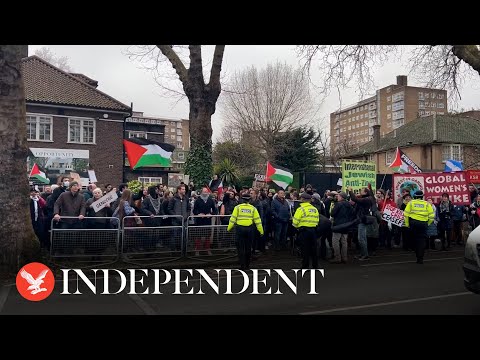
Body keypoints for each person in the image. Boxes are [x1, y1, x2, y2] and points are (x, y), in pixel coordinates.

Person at [227, 193, 264, 270]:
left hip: (240, 229)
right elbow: (258, 221)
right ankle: (247, 265)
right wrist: (261, 231)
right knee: (248, 247)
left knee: (240, 248)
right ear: (249, 200)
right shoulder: (253, 208)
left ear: (242, 200)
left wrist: (229, 229)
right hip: (249, 229)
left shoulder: (237, 208)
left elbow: (232, 219)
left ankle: (242, 265)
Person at [403, 190, 435, 264]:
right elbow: (431, 216)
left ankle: (416, 253)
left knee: (414, 239)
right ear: (422, 197)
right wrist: (428, 224)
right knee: (421, 241)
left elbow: (406, 215)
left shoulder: (411, 203)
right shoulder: (427, 204)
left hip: (413, 223)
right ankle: (420, 258)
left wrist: (407, 224)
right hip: (423, 224)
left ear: (415, 196)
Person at [292, 193, 320, 269]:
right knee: (314, 249)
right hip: (313, 231)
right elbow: (317, 220)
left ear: (303, 200)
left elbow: (295, 222)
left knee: (305, 249)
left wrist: (296, 228)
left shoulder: (300, 209)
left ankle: (305, 266)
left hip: (304, 231)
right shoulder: (314, 209)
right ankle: (315, 266)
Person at [348, 186, 374, 261]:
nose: (360, 191)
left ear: (366, 192)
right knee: (362, 238)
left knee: (361, 238)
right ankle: (363, 253)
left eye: (362, 190)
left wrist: (350, 191)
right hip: (362, 219)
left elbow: (354, 199)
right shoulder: (367, 198)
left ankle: (365, 255)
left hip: (362, 220)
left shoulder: (366, 199)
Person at [330, 192, 355, 264]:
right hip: (346, 225)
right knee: (344, 242)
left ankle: (337, 257)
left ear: (341, 197)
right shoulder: (349, 205)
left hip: (338, 225)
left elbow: (332, 214)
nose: (337, 197)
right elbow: (353, 213)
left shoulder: (338, 204)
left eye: (338, 196)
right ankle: (344, 257)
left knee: (335, 241)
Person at [193, 187, 217, 256]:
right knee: (198, 236)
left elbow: (215, 210)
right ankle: (197, 250)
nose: (205, 193)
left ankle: (207, 249)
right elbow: (194, 210)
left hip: (207, 220)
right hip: (199, 221)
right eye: (204, 192)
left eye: (206, 192)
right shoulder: (197, 200)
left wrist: (211, 214)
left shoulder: (211, 200)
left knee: (207, 236)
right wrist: (198, 214)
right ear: (201, 192)